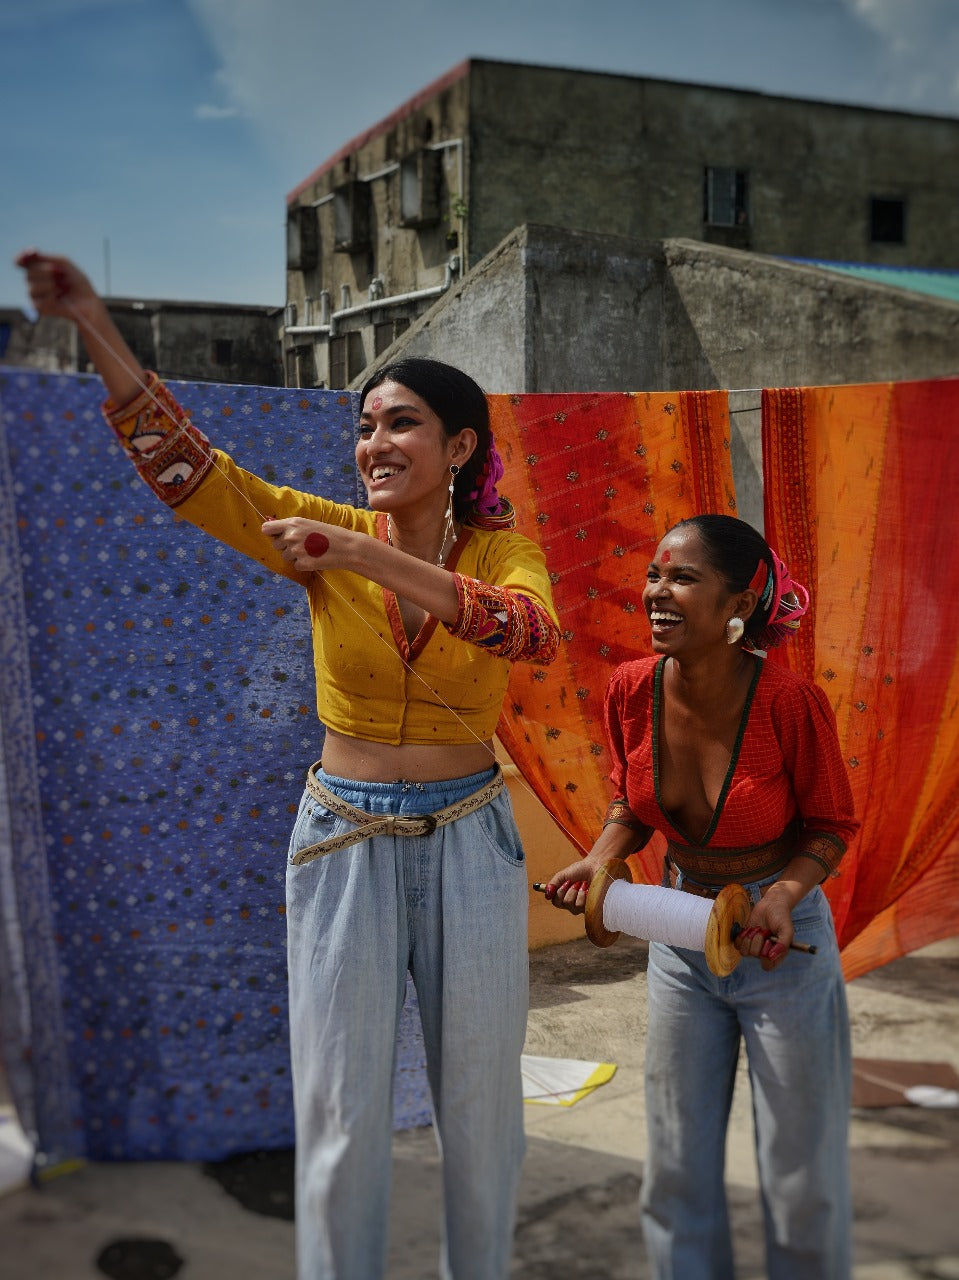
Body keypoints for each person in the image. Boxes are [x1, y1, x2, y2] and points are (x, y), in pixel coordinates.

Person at [18, 250, 561, 1280]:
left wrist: (357, 554)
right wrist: (94, 321)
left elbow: (528, 634)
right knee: (340, 1112)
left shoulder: (492, 550)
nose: (371, 443)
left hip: (468, 838)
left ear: (457, 445)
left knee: (484, 1113)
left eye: (397, 421)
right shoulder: (325, 531)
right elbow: (187, 471)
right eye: (362, 425)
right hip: (342, 838)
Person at [546, 513, 859, 1280]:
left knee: (799, 1172)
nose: (656, 592)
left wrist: (784, 895)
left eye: (682, 578)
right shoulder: (628, 688)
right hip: (683, 934)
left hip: (778, 941)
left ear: (739, 603)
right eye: (654, 574)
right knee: (676, 1160)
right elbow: (628, 801)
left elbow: (830, 823)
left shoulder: (789, 702)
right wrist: (600, 859)